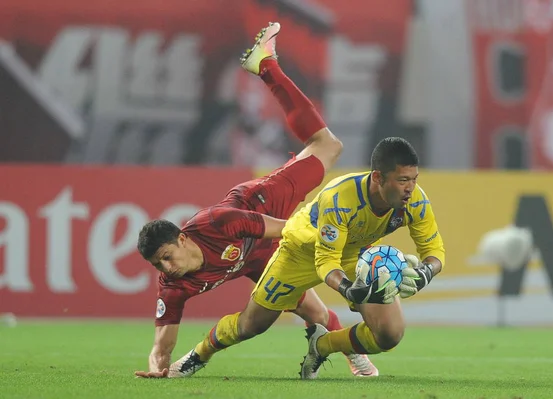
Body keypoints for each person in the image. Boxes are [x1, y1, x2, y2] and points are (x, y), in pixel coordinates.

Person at [134, 22, 379, 378]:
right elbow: (162, 342)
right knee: (313, 313)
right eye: (159, 265)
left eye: (167, 257)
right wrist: (157, 365)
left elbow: (282, 228)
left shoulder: (218, 223)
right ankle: (350, 355)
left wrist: (324, 237)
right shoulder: (173, 285)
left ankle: (265, 66)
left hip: (264, 204)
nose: (166, 268)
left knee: (328, 147)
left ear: (182, 238)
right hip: (256, 261)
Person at [166, 100, 445, 379]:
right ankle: (198, 354)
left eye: (414, 179)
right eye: (402, 180)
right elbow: (325, 260)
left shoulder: (415, 202)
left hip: (353, 253)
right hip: (299, 252)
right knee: (251, 325)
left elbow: (434, 250)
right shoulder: (341, 199)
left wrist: (425, 272)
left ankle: (322, 345)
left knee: (389, 334)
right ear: (378, 178)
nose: (410, 188)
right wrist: (349, 290)